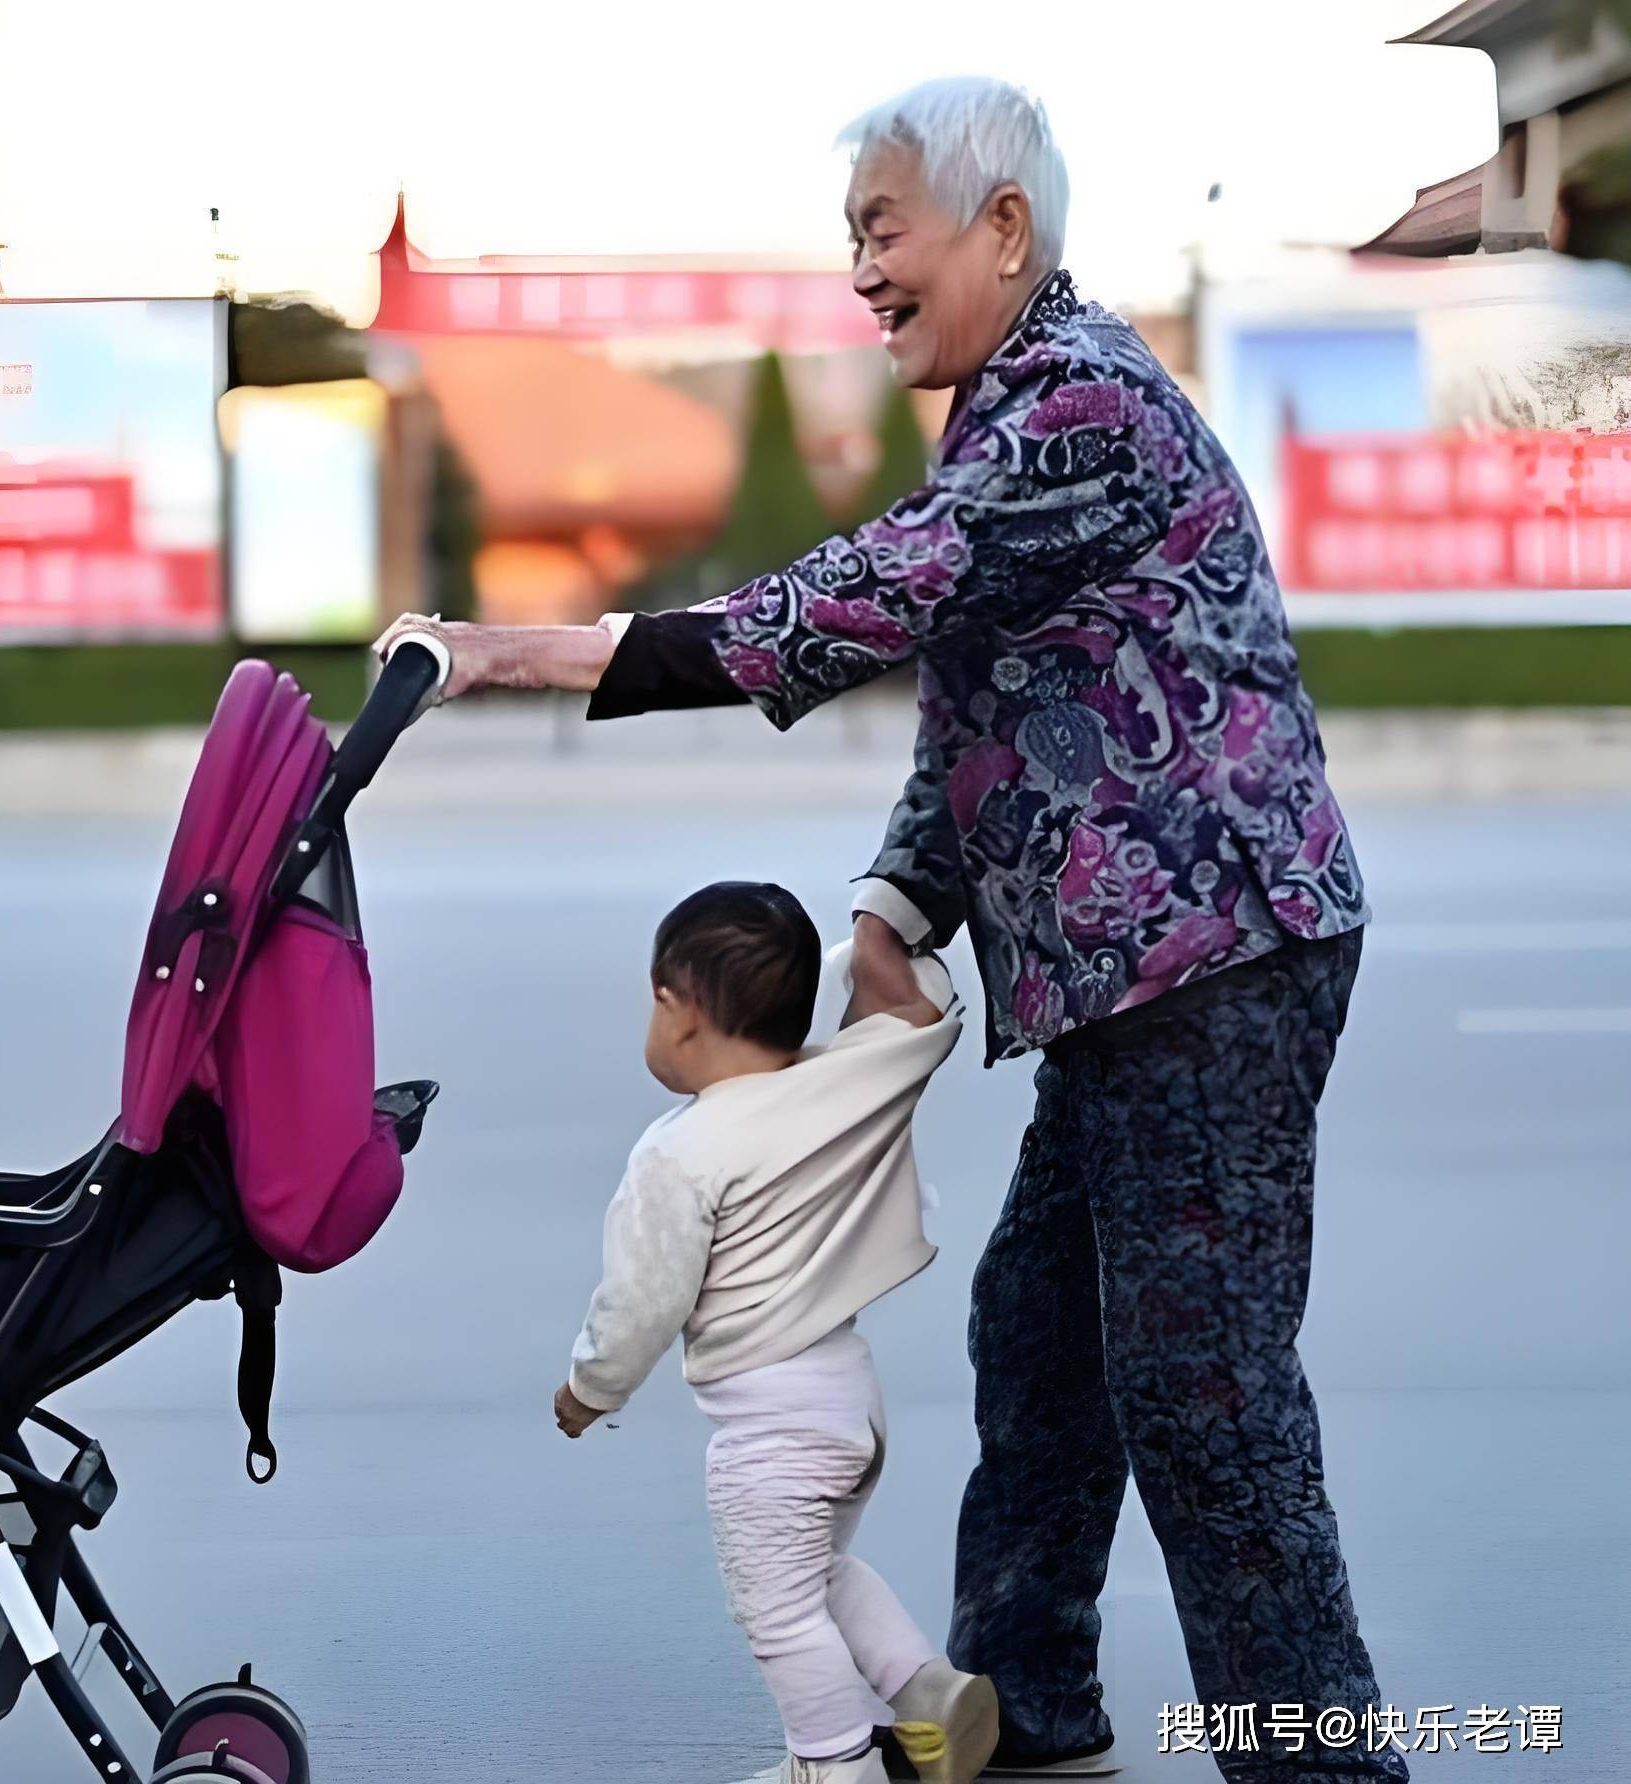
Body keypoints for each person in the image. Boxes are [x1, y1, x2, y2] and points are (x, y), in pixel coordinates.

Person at [388, 76, 1395, 1784]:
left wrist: (531, 650)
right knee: (1039, 1328)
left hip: (1213, 957)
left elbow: (860, 597)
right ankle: (1028, 1703)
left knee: (1205, 1399)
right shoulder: (1009, 405)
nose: (857, 271)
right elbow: (974, 697)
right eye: (848, 236)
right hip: (1135, 974)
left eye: (879, 229)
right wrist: (887, 901)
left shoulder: (1072, 406)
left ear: (999, 228)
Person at [558, 883, 995, 1784]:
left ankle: (832, 1766)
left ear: (680, 1013)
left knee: (775, 1609)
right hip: (847, 1403)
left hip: (771, 1431)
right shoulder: (832, 1090)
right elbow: (912, 1009)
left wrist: (589, 1389)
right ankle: (926, 1696)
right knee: (817, 1573)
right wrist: (862, 946)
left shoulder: (678, 1156)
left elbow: (641, 1303)